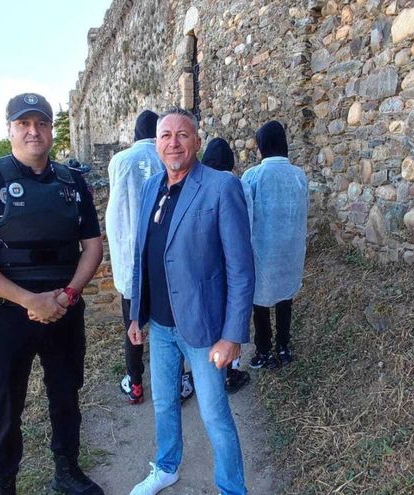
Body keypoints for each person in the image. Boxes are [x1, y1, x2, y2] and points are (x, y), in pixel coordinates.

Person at [0, 93, 104, 495]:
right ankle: (4, 486)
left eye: (42, 123)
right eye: (24, 123)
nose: (34, 131)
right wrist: (28, 300)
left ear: (52, 129)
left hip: (64, 309)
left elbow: (93, 246)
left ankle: (67, 472)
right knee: (3, 406)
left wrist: (67, 294)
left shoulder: (72, 181)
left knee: (66, 395)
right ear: (10, 129)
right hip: (6, 314)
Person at [127, 107, 255, 495]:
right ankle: (166, 467)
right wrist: (136, 314)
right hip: (161, 325)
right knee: (165, 404)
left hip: (204, 330)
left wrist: (232, 335)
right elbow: (142, 255)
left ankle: (232, 488)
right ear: (156, 144)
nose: (173, 143)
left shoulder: (220, 187)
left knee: (215, 415)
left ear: (197, 142)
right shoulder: (152, 187)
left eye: (183, 135)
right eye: (165, 136)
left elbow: (241, 269)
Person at [106, 110, 195, 405]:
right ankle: (179, 380)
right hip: (163, 257)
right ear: (157, 135)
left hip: (129, 258)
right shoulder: (169, 156)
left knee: (133, 325)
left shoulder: (120, 161)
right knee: (172, 322)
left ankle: (135, 382)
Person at [241, 120, 309, 370]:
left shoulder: (253, 176)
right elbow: (304, 212)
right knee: (285, 299)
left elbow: (245, 217)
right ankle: (283, 346)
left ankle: (263, 350)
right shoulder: (299, 176)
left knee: (260, 303)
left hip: (263, 251)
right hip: (290, 249)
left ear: (261, 147)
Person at [201, 137, 252, 393]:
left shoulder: (199, 188)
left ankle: (209, 367)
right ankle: (231, 371)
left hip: (209, 269)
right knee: (232, 317)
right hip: (233, 264)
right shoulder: (237, 186)